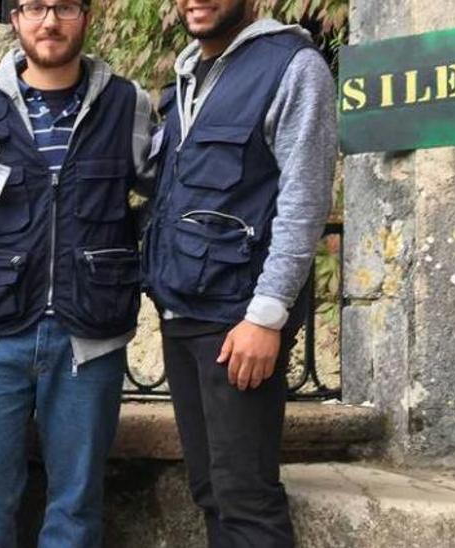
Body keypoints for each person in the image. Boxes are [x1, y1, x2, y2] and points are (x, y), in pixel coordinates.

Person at [0, 1, 156, 546]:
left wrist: (128, 261)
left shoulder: (127, 104)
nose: (49, 22)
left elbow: (165, 196)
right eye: (35, 7)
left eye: (64, 7)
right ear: (16, 19)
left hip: (89, 340)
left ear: (85, 17)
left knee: (76, 510)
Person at [143, 1, 337, 546]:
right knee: (210, 489)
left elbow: (303, 203)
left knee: (245, 498)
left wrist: (266, 317)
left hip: (238, 320)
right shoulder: (189, 74)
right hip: (183, 310)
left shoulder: (292, 66)